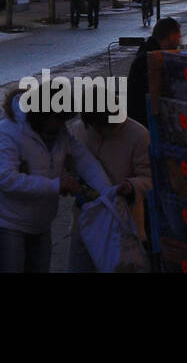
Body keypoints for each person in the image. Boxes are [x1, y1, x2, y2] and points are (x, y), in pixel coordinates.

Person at [0, 86, 82, 272]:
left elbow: (83, 158)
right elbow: (6, 179)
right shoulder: (8, 131)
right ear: (42, 114)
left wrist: (107, 189)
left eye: (64, 120)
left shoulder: (60, 132)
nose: (62, 125)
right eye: (58, 119)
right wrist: (56, 184)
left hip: (40, 223)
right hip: (7, 223)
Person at [66, 109, 153, 272]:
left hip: (123, 225)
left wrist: (131, 186)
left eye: (102, 126)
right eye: (94, 127)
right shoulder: (79, 129)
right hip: (85, 220)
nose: (99, 131)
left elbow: (150, 178)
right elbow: (69, 163)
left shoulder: (138, 135)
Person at [126, 16, 181, 127]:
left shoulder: (148, 52)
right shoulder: (151, 59)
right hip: (144, 122)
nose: (178, 42)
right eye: (178, 37)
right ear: (171, 37)